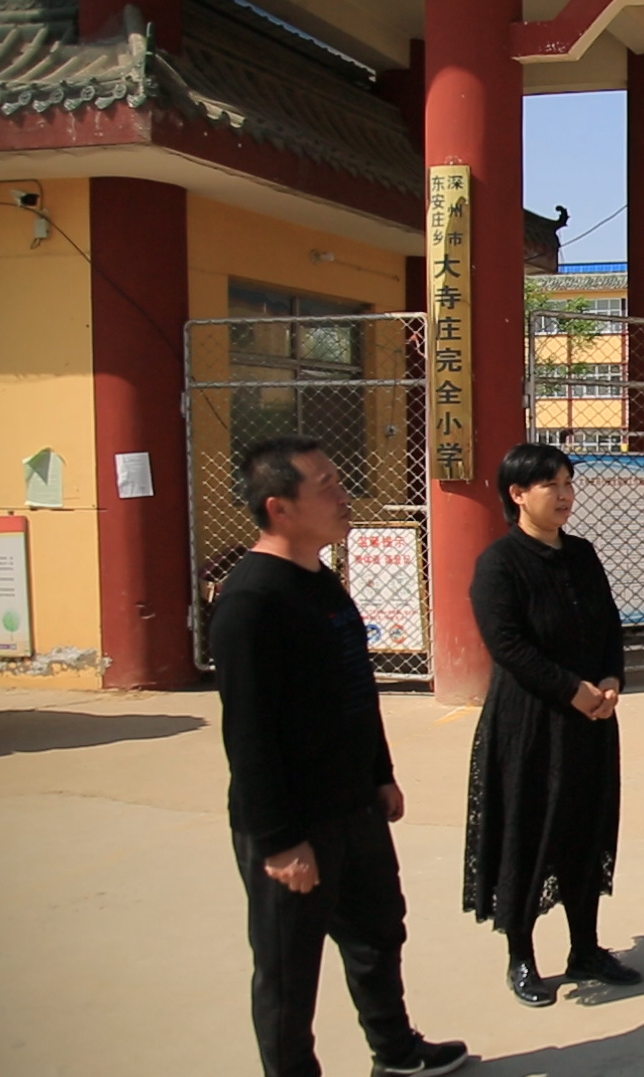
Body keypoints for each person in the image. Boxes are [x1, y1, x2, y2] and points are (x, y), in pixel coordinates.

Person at [210, 436, 468, 1077]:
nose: (343, 495)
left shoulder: (321, 581)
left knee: (378, 932)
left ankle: (396, 1053)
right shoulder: (251, 601)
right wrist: (279, 842)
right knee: (288, 969)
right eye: (325, 486)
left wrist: (380, 775)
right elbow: (249, 735)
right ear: (280, 507)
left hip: (354, 804)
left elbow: (356, 687)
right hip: (294, 821)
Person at [463, 443, 640, 1006]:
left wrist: (609, 678)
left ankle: (585, 947)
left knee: (585, 829)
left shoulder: (582, 554)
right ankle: (521, 956)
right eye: (552, 485)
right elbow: (508, 646)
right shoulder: (499, 564)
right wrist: (571, 689)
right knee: (528, 831)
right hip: (530, 723)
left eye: (568, 483)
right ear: (518, 494)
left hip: (591, 719)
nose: (565, 495)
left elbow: (608, 623)